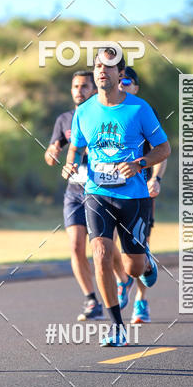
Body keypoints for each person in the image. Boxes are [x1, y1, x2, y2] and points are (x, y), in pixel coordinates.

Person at [62, 47, 171, 346]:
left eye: (109, 67)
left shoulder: (139, 109)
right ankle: (116, 327)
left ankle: (146, 263)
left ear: (120, 74)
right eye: (98, 65)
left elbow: (163, 149)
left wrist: (139, 164)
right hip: (96, 194)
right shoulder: (84, 112)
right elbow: (78, 146)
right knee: (99, 254)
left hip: (133, 196)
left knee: (132, 267)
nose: (101, 71)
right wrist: (71, 163)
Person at [44, 71, 103, 320]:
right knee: (76, 247)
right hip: (74, 192)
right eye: (75, 86)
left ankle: (122, 285)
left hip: (101, 191)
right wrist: (53, 152)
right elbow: (49, 156)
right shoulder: (64, 119)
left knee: (103, 251)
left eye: (85, 86)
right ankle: (92, 300)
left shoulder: (104, 114)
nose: (79, 90)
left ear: (94, 88)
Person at [116, 66, 168, 323]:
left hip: (140, 189)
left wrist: (155, 179)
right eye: (120, 79)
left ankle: (141, 301)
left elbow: (162, 151)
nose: (122, 84)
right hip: (109, 191)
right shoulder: (105, 111)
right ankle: (121, 279)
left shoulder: (143, 111)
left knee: (140, 244)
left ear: (136, 87)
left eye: (128, 81)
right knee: (108, 241)